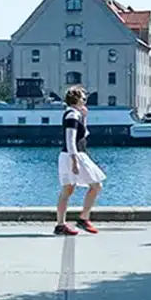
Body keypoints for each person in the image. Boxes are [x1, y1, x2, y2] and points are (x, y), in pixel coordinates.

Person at [55, 85, 107, 235]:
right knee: (96, 185)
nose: (85, 101)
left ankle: (61, 224)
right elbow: (70, 139)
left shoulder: (74, 114)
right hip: (75, 154)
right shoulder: (72, 115)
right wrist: (75, 161)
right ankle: (83, 218)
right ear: (77, 99)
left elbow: (83, 135)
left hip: (70, 154)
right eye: (84, 98)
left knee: (68, 189)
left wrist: (84, 117)